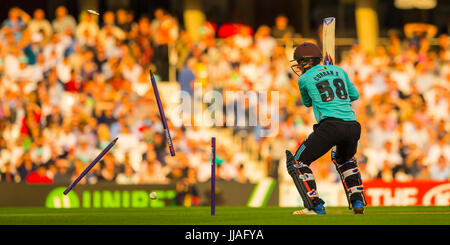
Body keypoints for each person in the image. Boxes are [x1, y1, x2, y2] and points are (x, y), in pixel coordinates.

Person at [285, 42, 366, 215]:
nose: (298, 67)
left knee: (297, 162)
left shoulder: (304, 79)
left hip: (330, 126)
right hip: (353, 126)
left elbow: (307, 103)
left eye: (299, 62)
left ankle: (315, 206)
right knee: (345, 159)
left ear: (306, 62)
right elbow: (354, 95)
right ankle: (357, 200)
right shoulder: (339, 70)